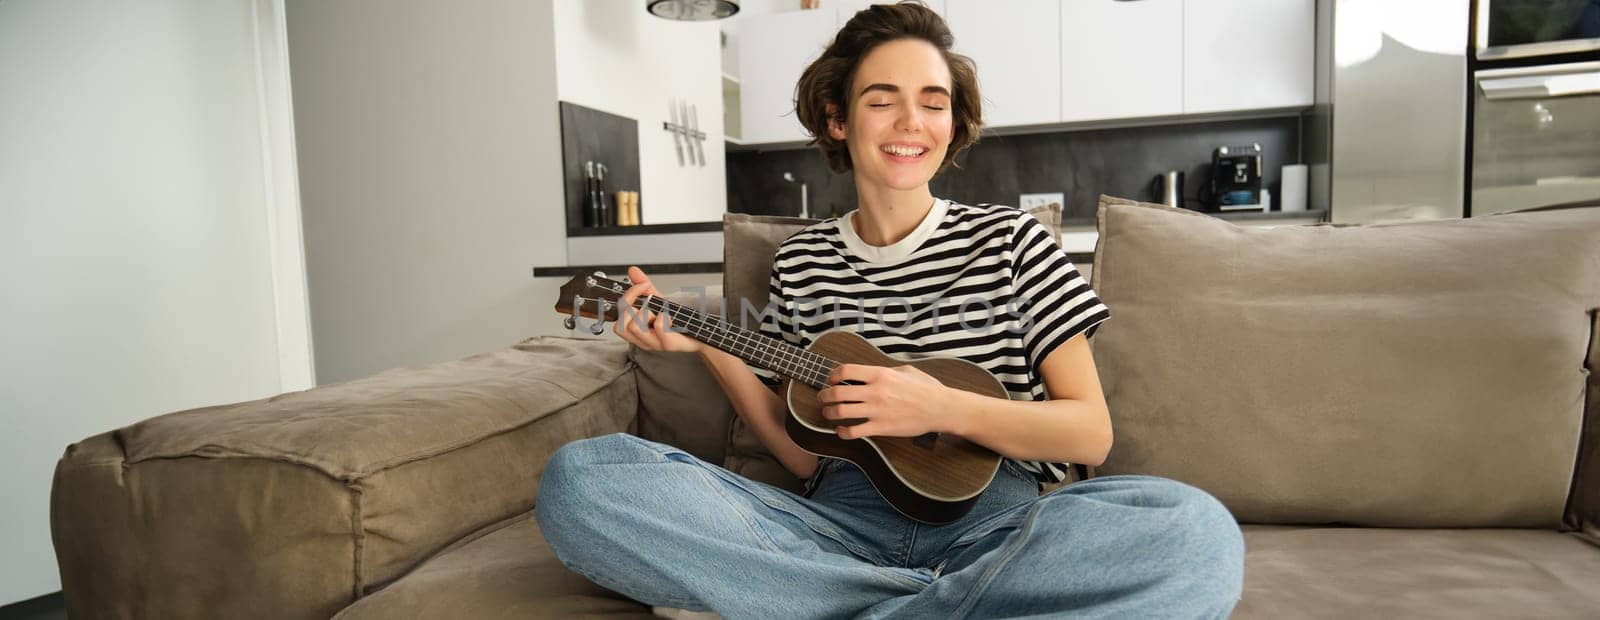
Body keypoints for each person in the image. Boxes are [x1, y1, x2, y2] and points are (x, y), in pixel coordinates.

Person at [535, 3, 1244, 617]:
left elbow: (1088, 435)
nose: (913, 121)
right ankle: (932, 602)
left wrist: (939, 408)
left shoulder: (1014, 242)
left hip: (1002, 529)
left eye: (934, 101)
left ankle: (827, 605)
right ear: (837, 118)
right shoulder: (801, 264)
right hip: (835, 529)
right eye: (883, 99)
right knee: (583, 481)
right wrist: (709, 346)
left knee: (1196, 533)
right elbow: (800, 454)